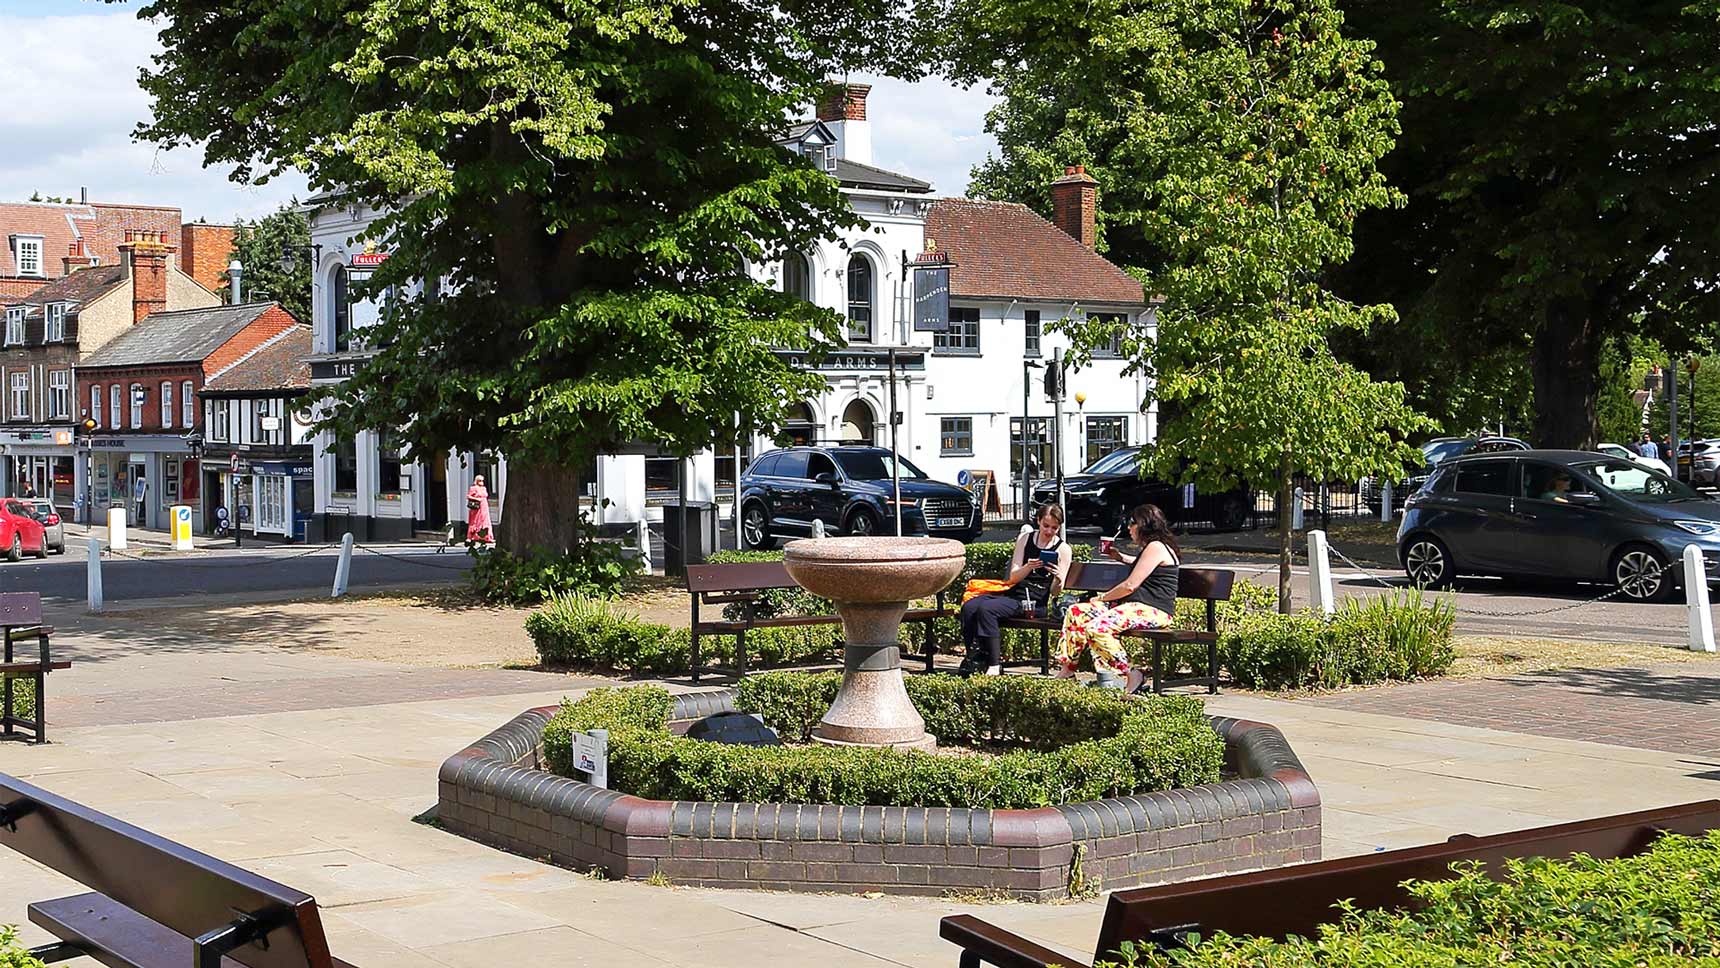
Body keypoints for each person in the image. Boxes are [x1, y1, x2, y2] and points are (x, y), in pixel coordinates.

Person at [1055, 504, 1180, 693]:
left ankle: (1131, 673)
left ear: (1143, 525)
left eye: (1131, 523)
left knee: (1097, 627)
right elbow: (1143, 565)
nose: (1129, 528)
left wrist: (1102, 598)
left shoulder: (1156, 547)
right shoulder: (1152, 547)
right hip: (1136, 607)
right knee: (1077, 612)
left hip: (1154, 610)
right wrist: (1120, 557)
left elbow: (1130, 585)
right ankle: (1068, 670)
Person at [956, 504, 1073, 676]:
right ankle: (974, 656)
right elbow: (1014, 577)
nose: (1049, 531)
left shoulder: (1063, 549)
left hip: (1034, 603)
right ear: (1038, 521)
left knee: (987, 609)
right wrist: (1028, 567)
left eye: (1054, 528)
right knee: (970, 606)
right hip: (1013, 593)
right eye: (1045, 526)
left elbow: (1055, 592)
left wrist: (1058, 578)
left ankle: (993, 664)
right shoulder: (1025, 539)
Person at [466, 474, 495, 545]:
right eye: (480, 480)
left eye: (482, 480)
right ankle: (471, 537)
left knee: (485, 521)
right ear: (476, 481)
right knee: (475, 521)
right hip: (477, 507)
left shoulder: (484, 488)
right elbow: (468, 496)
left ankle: (487, 537)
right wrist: (477, 499)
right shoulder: (473, 488)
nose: (481, 482)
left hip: (484, 506)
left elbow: (485, 496)